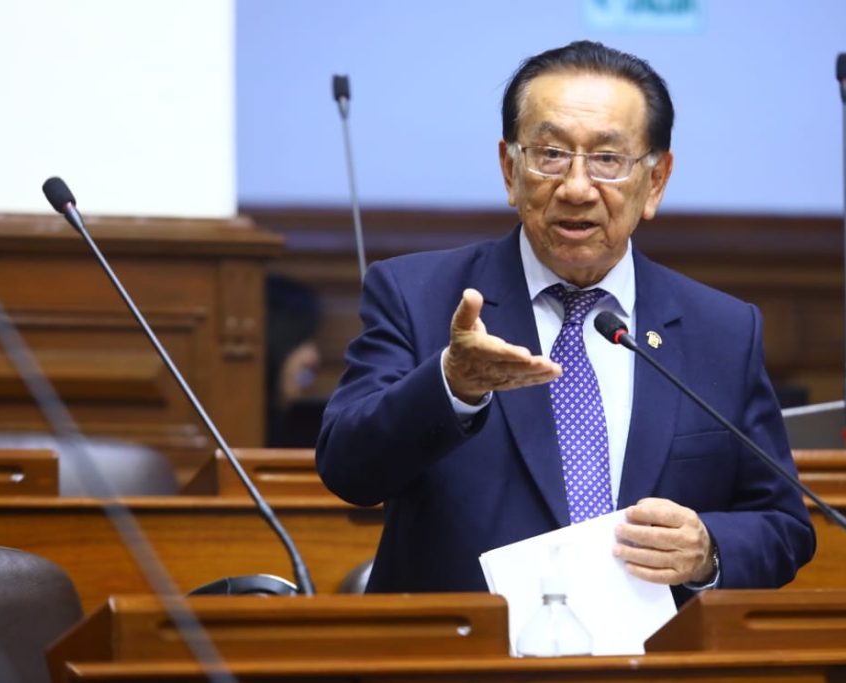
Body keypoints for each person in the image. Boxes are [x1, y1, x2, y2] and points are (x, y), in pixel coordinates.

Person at [316, 41, 815, 606]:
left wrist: (708, 550)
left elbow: (783, 524)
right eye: (550, 154)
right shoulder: (417, 296)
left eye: (608, 159)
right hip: (466, 648)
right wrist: (452, 386)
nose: (577, 187)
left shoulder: (721, 330)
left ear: (655, 181)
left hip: (649, 653)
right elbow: (348, 471)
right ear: (510, 170)